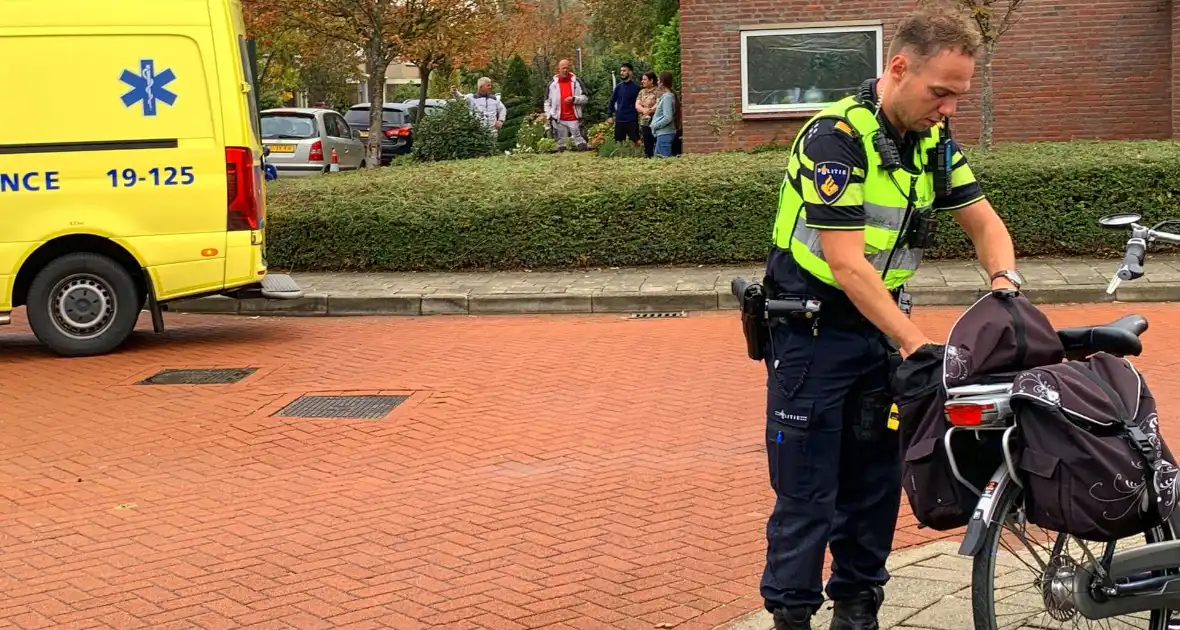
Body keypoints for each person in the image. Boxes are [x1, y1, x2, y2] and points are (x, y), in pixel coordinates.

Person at [756, 6, 1022, 630]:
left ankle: (857, 609)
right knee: (808, 494)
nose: (948, 108)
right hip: (812, 339)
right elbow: (847, 264)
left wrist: (1006, 285)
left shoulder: (931, 142)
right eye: (940, 92)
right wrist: (914, 343)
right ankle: (792, 616)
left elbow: (983, 222)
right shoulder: (834, 139)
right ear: (898, 68)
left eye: (959, 95)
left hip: (879, 340)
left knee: (874, 488)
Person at [544, 59, 589, 151]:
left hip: (574, 118)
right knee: (561, 144)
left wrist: (574, 99)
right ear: (558, 69)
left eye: (567, 68)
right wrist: (549, 115)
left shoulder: (577, 82)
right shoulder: (552, 85)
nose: (565, 70)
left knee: (580, 142)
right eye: (563, 68)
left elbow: (585, 98)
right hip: (558, 119)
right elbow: (547, 102)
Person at [606, 62, 642, 146]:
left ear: (630, 72)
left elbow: (640, 103)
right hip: (620, 119)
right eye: (621, 71)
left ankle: (637, 157)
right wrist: (609, 115)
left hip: (632, 119)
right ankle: (619, 158)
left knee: (636, 141)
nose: (621, 73)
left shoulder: (637, 88)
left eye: (624, 71)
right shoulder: (618, 87)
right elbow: (612, 101)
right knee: (618, 143)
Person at [649, 71, 679, 158]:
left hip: (665, 134)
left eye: (658, 80)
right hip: (663, 134)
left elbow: (668, 117)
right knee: (658, 160)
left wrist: (654, 125)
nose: (657, 82)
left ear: (662, 82)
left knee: (663, 162)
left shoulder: (667, 97)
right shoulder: (666, 96)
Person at [635, 72, 660, 158]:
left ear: (651, 80)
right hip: (644, 121)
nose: (642, 81)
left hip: (655, 120)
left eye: (645, 79)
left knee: (655, 142)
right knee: (647, 143)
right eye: (642, 79)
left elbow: (659, 103)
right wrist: (644, 110)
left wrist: (650, 110)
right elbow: (637, 105)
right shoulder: (641, 92)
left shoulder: (658, 91)